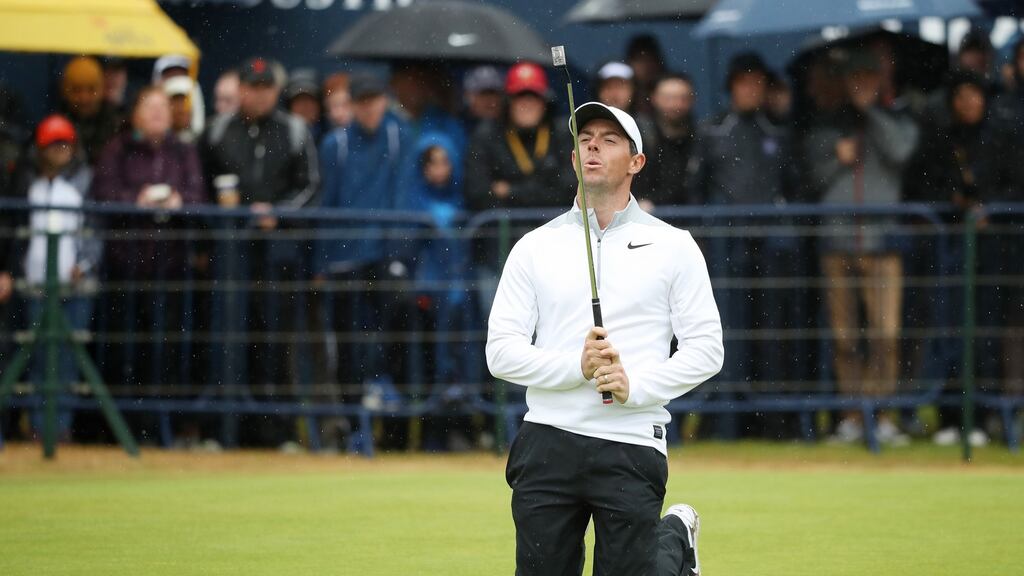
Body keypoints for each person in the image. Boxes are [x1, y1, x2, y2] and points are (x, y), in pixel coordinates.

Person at [487, 101, 723, 575]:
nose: (593, 146)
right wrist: (575, 367)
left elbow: (706, 350)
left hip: (631, 440)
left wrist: (636, 387)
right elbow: (501, 353)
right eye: (585, 139)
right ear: (574, 159)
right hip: (548, 438)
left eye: (610, 139)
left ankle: (674, 539)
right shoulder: (533, 246)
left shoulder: (674, 245)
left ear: (636, 162)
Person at [201, 57, 319, 445]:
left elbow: (311, 187)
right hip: (230, 254)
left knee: (276, 341)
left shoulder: (296, 131)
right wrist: (219, 219)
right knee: (227, 339)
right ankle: (223, 431)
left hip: (278, 256)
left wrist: (279, 213)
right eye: (253, 86)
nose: (259, 94)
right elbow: (200, 188)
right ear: (242, 89)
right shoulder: (217, 131)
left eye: (267, 86)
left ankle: (277, 433)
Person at [804, 50, 919, 445]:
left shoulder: (897, 118)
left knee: (886, 334)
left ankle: (881, 414)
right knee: (845, 337)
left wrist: (871, 112)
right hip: (837, 243)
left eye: (869, 81)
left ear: (881, 83)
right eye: (855, 81)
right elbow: (812, 177)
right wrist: (838, 158)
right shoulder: (825, 123)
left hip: (882, 243)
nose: (861, 88)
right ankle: (853, 415)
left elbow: (901, 152)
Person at [909, 71, 1023, 446]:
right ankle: (949, 416)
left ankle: (982, 415)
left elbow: (1015, 183)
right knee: (948, 334)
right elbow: (922, 183)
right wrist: (953, 200)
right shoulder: (943, 138)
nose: (968, 102)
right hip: (951, 250)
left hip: (993, 252)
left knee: (985, 336)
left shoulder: (1002, 137)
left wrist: (993, 207)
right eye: (962, 96)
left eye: (974, 95)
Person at [687, 52, 798, 439]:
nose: (752, 89)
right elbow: (696, 191)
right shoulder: (712, 130)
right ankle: (724, 421)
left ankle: (771, 421)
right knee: (723, 331)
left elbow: (792, 186)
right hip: (723, 249)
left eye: (758, 82)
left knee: (770, 332)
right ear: (731, 86)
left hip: (770, 250)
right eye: (744, 81)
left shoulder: (778, 131)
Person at [91, 87, 205, 432]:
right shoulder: (117, 149)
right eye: (149, 106)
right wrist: (134, 200)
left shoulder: (184, 152)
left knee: (167, 348)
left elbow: (198, 196)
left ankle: (162, 425)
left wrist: (178, 201)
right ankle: (120, 425)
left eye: (163, 107)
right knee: (124, 350)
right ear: (136, 114)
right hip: (125, 267)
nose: (157, 113)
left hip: (170, 268)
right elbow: (103, 193)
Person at [316, 72, 412, 449]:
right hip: (345, 260)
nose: (370, 107)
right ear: (352, 104)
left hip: (383, 257)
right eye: (363, 101)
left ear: (384, 101)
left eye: (375, 99)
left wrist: (398, 254)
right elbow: (328, 202)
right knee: (347, 344)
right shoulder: (334, 145)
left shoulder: (399, 135)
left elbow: (403, 193)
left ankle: (389, 419)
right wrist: (323, 263)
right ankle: (353, 424)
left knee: (394, 326)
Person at [8, 115, 97, 440]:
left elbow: (93, 230)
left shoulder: (86, 180)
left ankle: (60, 427)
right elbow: (17, 232)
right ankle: (35, 426)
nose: (60, 150)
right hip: (34, 283)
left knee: (68, 358)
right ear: (41, 149)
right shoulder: (25, 181)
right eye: (53, 144)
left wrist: (85, 263)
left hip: (72, 283)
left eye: (65, 144)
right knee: (35, 356)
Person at [634, 73, 698, 209]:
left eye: (683, 98)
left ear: (692, 100)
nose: (676, 104)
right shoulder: (640, 139)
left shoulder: (702, 138)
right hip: (649, 220)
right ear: (654, 98)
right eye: (668, 98)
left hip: (697, 222)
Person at [59, 56, 123, 164]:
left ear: (102, 89)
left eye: (91, 89)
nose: (84, 98)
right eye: (76, 90)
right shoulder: (59, 122)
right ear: (65, 91)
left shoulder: (116, 122)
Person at [626, 34, 667, 116]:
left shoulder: (673, 101)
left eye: (651, 60)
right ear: (629, 64)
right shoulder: (622, 98)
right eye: (640, 60)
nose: (647, 66)